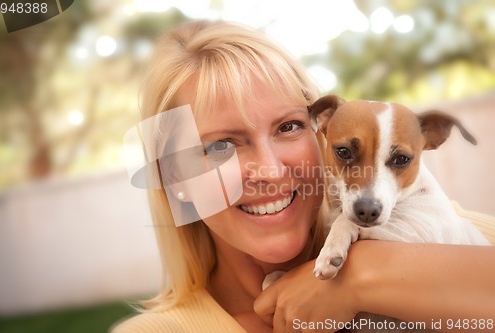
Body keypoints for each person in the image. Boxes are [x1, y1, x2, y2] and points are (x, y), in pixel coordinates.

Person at [112, 20, 495, 333]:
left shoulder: (460, 233)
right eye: (219, 146)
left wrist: (361, 275)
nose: (272, 171)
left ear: (320, 132)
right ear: (175, 177)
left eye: (289, 127)